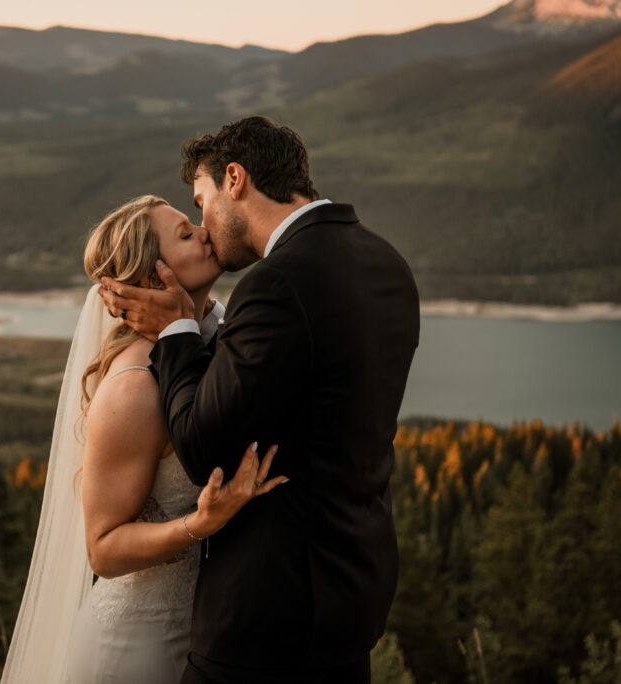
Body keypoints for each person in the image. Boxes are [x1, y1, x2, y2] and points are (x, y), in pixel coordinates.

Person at [100, 116, 420, 684]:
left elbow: (203, 451)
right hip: (352, 604)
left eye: (201, 203)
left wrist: (176, 333)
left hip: (266, 622)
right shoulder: (386, 263)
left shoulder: (279, 282)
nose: (203, 226)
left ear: (235, 179)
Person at [2, 195, 286, 684]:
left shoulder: (212, 342)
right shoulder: (134, 387)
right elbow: (103, 548)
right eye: (184, 234)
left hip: (201, 636)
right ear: (155, 277)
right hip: (136, 647)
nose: (204, 231)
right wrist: (199, 523)